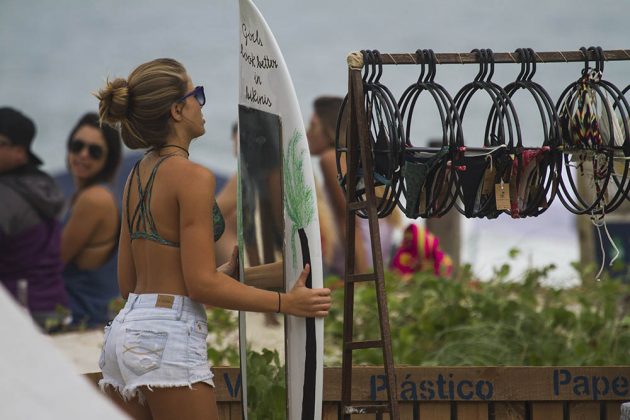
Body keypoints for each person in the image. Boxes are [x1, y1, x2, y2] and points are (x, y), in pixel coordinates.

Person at [95, 58, 331, 419]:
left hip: (123, 336)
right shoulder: (192, 176)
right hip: (165, 339)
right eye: (197, 95)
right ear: (177, 110)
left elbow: (130, 284)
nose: (201, 106)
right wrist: (287, 303)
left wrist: (219, 272)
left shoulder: (136, 177)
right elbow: (201, 287)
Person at [306, 96, 402, 276]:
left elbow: (349, 221)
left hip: (360, 260)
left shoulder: (330, 160)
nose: (307, 132)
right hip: (378, 256)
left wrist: (360, 279)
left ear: (329, 129)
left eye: (313, 125)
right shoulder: (359, 160)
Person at [0, 107, 70, 331]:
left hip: (19, 313)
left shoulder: (6, 194)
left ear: (20, 152)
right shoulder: (43, 185)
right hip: (56, 305)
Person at [61, 112, 122, 328]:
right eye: (78, 146)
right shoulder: (93, 195)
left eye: (95, 152)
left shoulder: (94, 199)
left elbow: (55, 260)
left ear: (108, 159)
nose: (83, 155)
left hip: (83, 316)